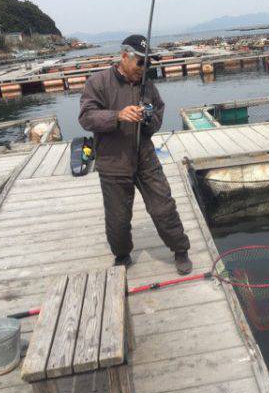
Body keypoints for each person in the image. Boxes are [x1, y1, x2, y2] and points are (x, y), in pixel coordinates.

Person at [78, 34, 192, 274]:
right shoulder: (98, 82)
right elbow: (86, 117)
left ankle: (180, 249)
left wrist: (150, 119)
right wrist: (117, 116)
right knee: (118, 218)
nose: (145, 68)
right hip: (113, 162)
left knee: (164, 207)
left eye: (148, 63)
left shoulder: (147, 85)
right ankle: (122, 254)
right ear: (124, 57)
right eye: (141, 62)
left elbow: (159, 110)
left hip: (145, 157)